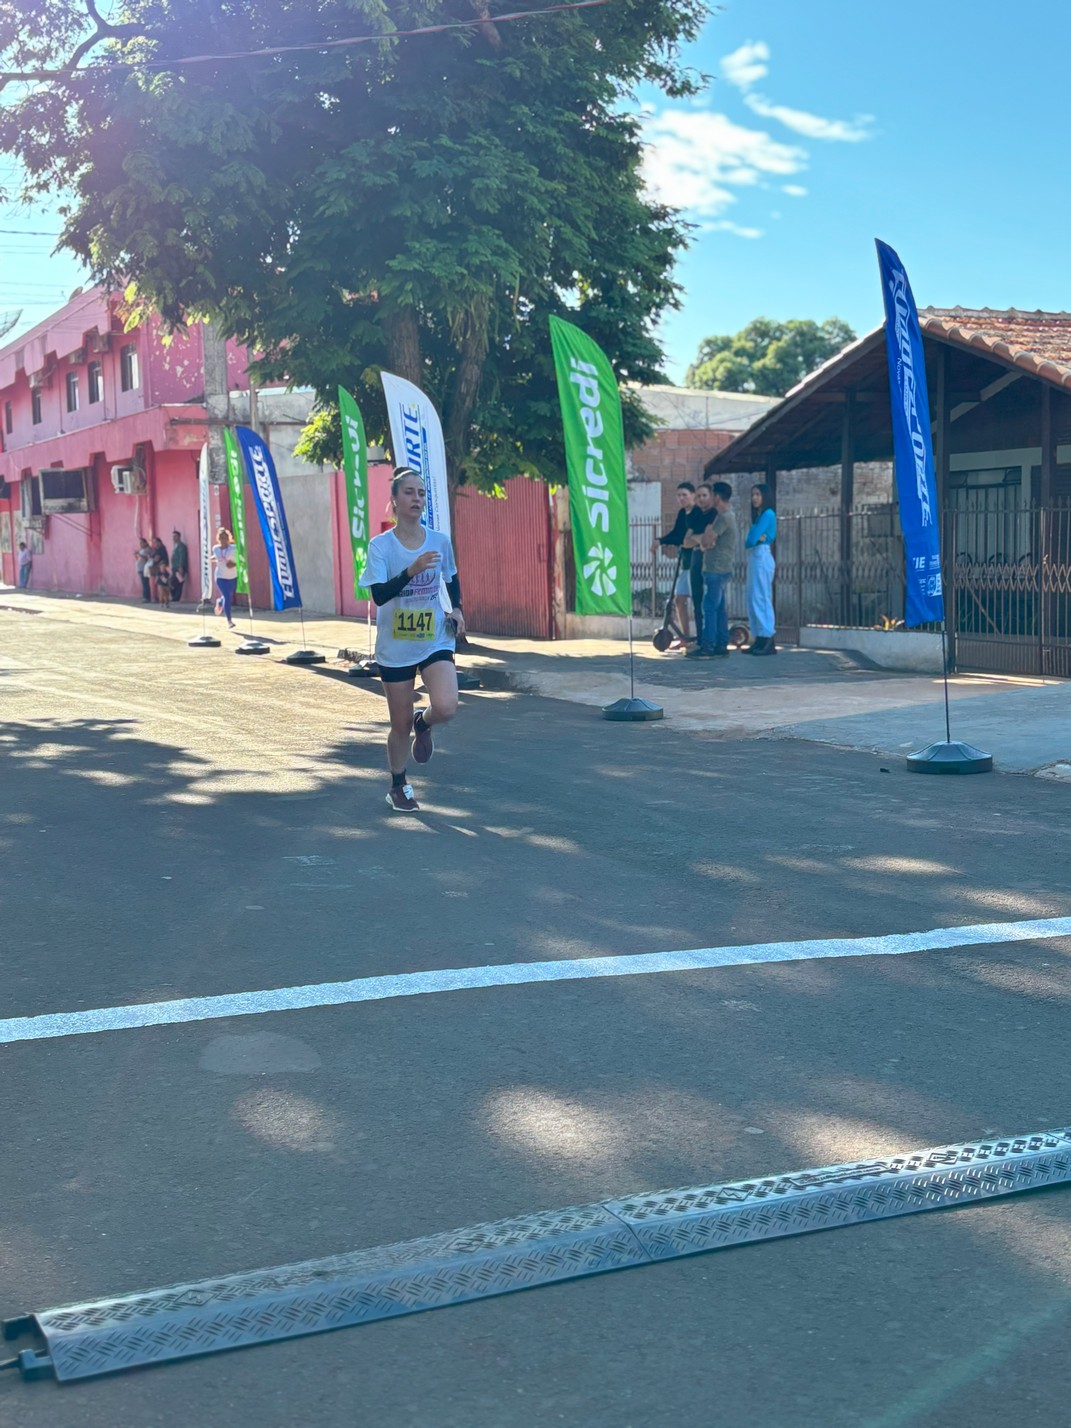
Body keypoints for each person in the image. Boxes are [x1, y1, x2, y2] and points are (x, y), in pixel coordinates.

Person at [358, 466, 465, 814]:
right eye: (409, 492)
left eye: (421, 493)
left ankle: (427, 721)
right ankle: (398, 784)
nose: (417, 498)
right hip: (395, 645)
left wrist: (459, 609)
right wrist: (410, 571)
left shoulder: (439, 541)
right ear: (394, 500)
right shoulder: (381, 547)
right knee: (399, 725)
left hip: (435, 636)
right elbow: (378, 596)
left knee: (447, 706)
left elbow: (450, 577)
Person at [687, 481, 737, 659]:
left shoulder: (723, 517)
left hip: (716, 569)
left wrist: (706, 535)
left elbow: (707, 542)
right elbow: (708, 539)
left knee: (708, 607)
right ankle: (721, 645)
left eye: (712, 494)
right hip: (722, 568)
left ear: (717, 496)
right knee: (720, 608)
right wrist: (707, 534)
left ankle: (708, 647)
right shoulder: (726, 516)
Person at [650, 482, 697, 645]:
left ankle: (704, 637)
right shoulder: (682, 514)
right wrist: (660, 540)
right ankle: (685, 637)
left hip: (696, 563)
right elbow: (677, 534)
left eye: (685, 495)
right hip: (685, 562)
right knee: (679, 600)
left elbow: (683, 537)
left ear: (693, 495)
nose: (682, 498)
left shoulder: (698, 513)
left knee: (699, 603)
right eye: (679, 495)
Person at [744, 482, 777, 655]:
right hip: (754, 555)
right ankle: (758, 637)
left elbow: (751, 539)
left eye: (758, 495)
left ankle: (767, 637)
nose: (754, 498)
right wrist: (755, 537)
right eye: (753, 495)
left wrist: (756, 536)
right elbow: (751, 540)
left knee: (761, 597)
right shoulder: (758, 517)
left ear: (765, 496)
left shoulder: (768, 514)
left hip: (761, 556)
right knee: (752, 597)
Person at [682, 483, 716, 646]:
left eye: (705, 495)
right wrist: (698, 538)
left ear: (711, 496)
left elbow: (708, 540)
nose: (702, 499)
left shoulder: (715, 514)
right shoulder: (696, 516)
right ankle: (701, 638)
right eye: (699, 496)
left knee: (709, 601)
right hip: (696, 558)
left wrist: (697, 538)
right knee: (697, 600)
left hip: (710, 560)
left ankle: (712, 638)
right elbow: (686, 541)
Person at [212, 527, 239, 627]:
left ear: (228, 539)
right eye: (221, 538)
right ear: (218, 539)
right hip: (220, 577)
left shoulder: (234, 548)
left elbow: (240, 560)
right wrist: (211, 559)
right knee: (227, 597)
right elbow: (217, 556)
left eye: (225, 538)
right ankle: (229, 621)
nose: (223, 541)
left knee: (228, 597)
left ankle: (219, 602)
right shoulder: (215, 549)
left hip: (232, 577)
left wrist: (234, 564)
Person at [170, 529, 188, 603]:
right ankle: (174, 596)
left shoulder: (181, 546)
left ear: (179, 537)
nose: (174, 538)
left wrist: (181, 566)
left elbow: (182, 556)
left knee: (178, 583)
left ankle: (176, 598)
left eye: (175, 536)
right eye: (173, 536)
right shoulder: (175, 546)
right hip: (174, 567)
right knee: (172, 582)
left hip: (179, 567)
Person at [136, 537, 152, 602]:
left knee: (145, 583)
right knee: (143, 583)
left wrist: (139, 554)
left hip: (144, 568)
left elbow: (146, 558)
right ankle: (144, 596)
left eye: (142, 543)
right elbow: (139, 558)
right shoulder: (141, 550)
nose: (141, 544)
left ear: (145, 543)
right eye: (140, 543)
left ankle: (147, 597)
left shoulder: (147, 549)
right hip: (140, 568)